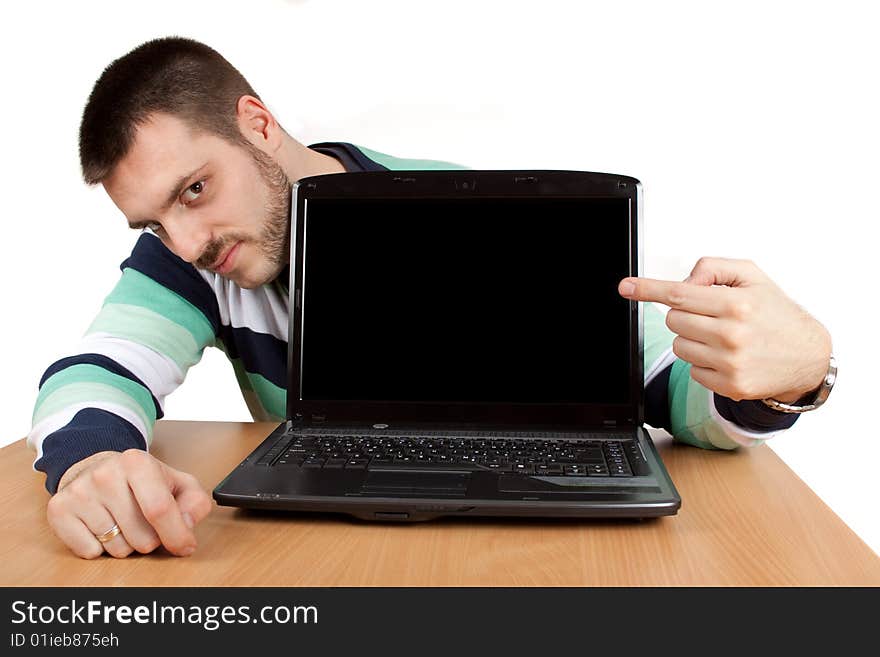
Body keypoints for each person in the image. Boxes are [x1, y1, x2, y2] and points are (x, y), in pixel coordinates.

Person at [29, 37, 834, 559]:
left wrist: (793, 375)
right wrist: (92, 463)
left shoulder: (463, 211)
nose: (187, 239)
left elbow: (677, 389)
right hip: (329, 563)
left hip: (528, 564)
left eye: (196, 189)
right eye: (156, 220)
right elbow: (98, 368)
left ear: (257, 123)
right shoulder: (191, 257)